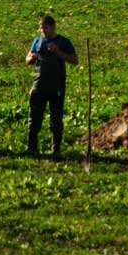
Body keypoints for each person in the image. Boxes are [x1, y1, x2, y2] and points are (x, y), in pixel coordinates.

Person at [25, 15, 78, 158]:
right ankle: (31, 149)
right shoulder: (37, 41)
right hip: (39, 85)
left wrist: (58, 52)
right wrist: (32, 58)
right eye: (41, 28)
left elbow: (75, 60)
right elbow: (27, 59)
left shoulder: (64, 42)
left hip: (57, 86)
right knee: (34, 118)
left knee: (56, 119)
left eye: (45, 28)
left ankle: (56, 150)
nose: (42, 31)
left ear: (53, 27)